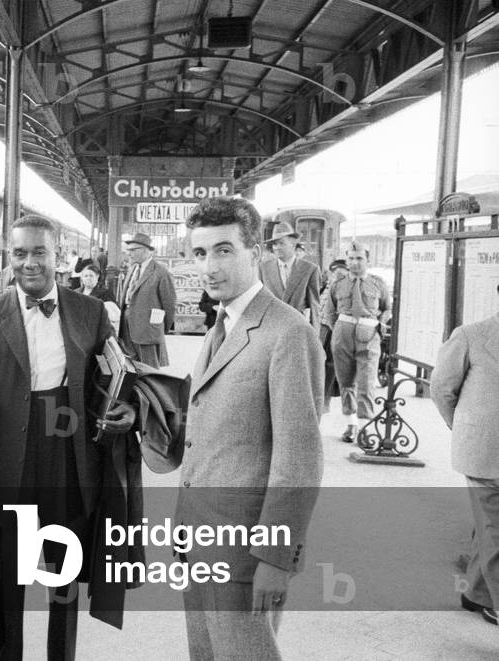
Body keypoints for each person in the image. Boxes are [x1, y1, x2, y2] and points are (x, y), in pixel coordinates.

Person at [0, 214, 136, 661]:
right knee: (11, 577)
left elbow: (116, 377)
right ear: (9, 257)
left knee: (64, 575)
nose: (29, 262)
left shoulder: (91, 311)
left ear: (58, 257)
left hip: (68, 454)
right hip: (10, 457)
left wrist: (127, 410)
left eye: (40, 252)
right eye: (20, 253)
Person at [178, 197, 323, 660]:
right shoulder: (221, 326)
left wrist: (275, 560)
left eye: (223, 250)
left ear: (254, 251)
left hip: (244, 549)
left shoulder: (287, 331)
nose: (208, 266)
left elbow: (298, 460)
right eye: (199, 253)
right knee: (206, 654)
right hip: (200, 536)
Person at [431, 284, 499, 626]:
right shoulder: (471, 337)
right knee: (496, 533)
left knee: (489, 529)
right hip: (485, 454)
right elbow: (442, 388)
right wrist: (464, 427)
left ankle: (476, 593)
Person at [322, 242, 392, 442]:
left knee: (366, 382)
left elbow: (387, 308)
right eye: (351, 258)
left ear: (368, 260)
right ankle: (351, 424)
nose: (354, 262)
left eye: (359, 258)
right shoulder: (338, 284)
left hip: (369, 336)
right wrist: (340, 330)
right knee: (346, 381)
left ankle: (365, 427)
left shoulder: (378, 284)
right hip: (343, 334)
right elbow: (329, 311)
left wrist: (380, 323)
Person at [117, 232, 176, 367]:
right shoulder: (133, 268)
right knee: (131, 368)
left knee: (149, 370)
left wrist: (158, 329)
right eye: (128, 250)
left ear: (145, 250)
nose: (129, 254)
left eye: (133, 250)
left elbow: (170, 306)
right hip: (126, 328)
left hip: (147, 332)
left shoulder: (161, 273)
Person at [259, 221, 321, 326]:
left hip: (297, 328)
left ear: (292, 244)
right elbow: (259, 302)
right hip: (271, 327)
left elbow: (314, 307)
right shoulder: (263, 268)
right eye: (274, 244)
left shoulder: (310, 269)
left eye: (281, 243)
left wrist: (315, 336)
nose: (276, 247)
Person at [319, 259, 349, 409]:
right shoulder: (326, 287)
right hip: (321, 329)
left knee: (331, 367)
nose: (337, 276)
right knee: (320, 363)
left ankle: (326, 402)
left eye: (341, 273)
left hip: (335, 330)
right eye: (335, 273)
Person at [77, 263, 119, 333]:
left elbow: (114, 314)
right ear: (82, 278)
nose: (88, 278)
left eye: (91, 276)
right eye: (85, 276)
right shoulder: (76, 292)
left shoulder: (105, 293)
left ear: (97, 276)